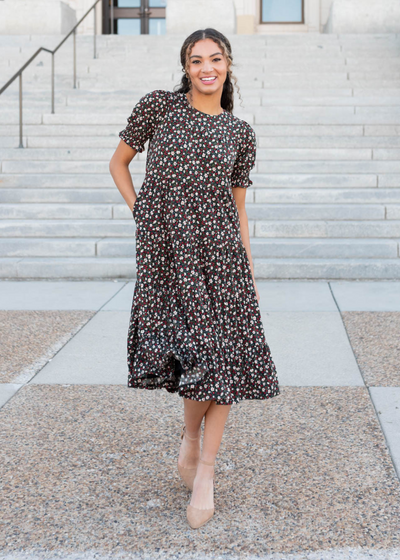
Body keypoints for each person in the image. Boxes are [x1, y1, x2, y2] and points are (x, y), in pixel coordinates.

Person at [109, 27, 280, 530]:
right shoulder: (159, 107)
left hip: (224, 259)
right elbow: (118, 163)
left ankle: (205, 469)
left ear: (228, 65)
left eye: (216, 58)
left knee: (223, 359)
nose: (207, 67)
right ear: (185, 66)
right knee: (195, 354)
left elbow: (238, 204)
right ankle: (189, 437)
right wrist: (144, 214)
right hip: (171, 258)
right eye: (196, 59)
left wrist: (247, 262)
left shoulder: (240, 133)